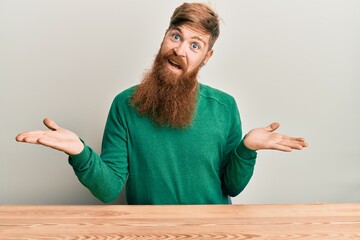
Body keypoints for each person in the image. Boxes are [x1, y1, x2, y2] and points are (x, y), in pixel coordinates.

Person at [15, 2, 307, 204]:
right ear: (164, 38)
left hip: (214, 230)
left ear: (207, 58)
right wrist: (80, 152)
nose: (180, 49)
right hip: (148, 230)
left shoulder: (224, 107)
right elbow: (109, 189)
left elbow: (232, 187)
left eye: (195, 45)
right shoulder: (124, 105)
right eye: (175, 36)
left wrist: (246, 149)